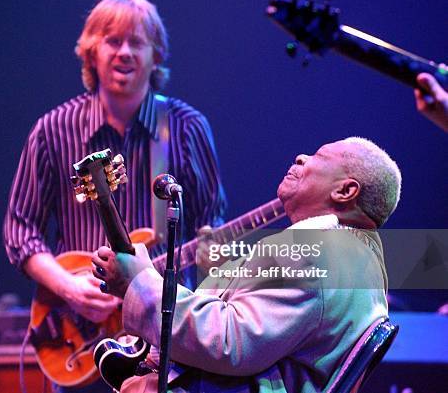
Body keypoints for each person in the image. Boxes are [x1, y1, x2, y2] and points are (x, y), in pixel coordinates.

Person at [3, 0, 226, 392]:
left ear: (156, 55)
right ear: (91, 53)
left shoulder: (187, 128)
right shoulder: (53, 130)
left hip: (165, 345)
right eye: (112, 41)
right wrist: (69, 287)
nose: (124, 52)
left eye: (136, 42)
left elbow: (214, 224)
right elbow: (20, 230)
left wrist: (210, 261)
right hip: (81, 336)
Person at [93, 137, 401, 392]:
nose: (301, 156)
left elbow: (228, 343)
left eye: (319, 156)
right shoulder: (359, 260)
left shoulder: (312, 250)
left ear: (345, 191)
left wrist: (141, 284)